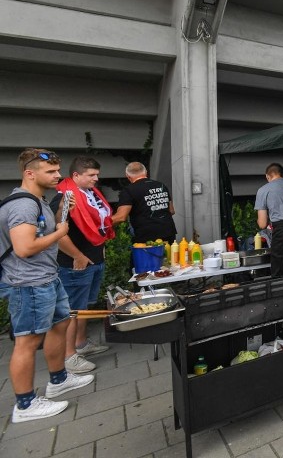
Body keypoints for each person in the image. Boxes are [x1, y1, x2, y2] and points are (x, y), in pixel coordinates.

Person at [0, 149, 94, 423]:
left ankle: (59, 380)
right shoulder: (23, 205)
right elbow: (24, 247)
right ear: (30, 173)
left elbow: (39, 233)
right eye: (51, 172)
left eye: (57, 170)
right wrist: (60, 232)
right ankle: (25, 405)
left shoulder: (37, 202)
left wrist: (61, 216)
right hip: (28, 284)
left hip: (47, 278)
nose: (58, 175)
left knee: (59, 326)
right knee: (27, 342)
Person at [53, 157, 115, 373]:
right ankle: (69, 357)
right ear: (76, 176)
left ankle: (81, 344)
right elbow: (57, 234)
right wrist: (78, 256)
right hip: (76, 264)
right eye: (91, 175)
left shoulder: (90, 194)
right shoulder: (64, 198)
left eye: (97, 174)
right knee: (72, 311)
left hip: (94, 259)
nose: (96, 179)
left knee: (83, 308)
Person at [111, 162, 177, 243]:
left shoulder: (129, 190)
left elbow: (121, 217)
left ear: (128, 176)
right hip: (168, 232)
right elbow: (171, 211)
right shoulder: (161, 185)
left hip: (146, 236)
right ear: (146, 172)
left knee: (148, 256)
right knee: (168, 255)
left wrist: (101, 224)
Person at [254, 163, 283, 277]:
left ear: (267, 177)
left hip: (281, 233)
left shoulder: (263, 190)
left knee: (280, 272)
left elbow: (262, 224)